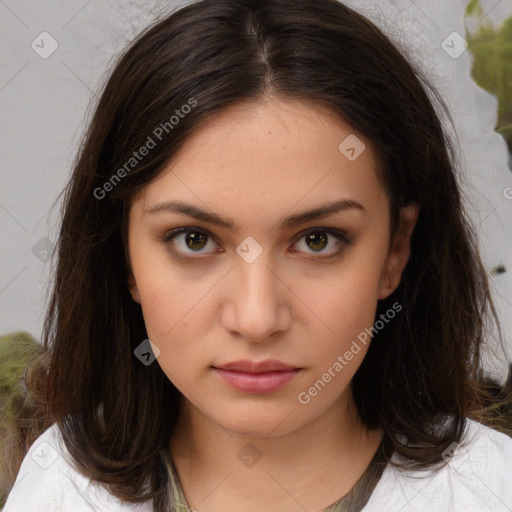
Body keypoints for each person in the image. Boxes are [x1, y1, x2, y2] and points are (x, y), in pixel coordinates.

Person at [2, 0, 512, 510]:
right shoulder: (58, 492)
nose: (257, 319)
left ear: (395, 251)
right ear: (123, 257)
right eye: (193, 239)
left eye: (318, 240)